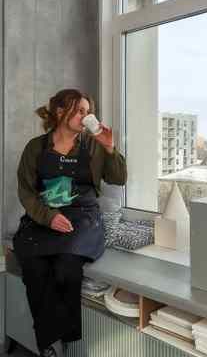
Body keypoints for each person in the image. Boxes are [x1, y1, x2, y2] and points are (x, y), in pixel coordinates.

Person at [12, 89, 127, 357]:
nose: (85, 117)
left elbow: (118, 178)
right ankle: (50, 345)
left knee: (66, 267)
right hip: (44, 217)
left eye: (88, 112)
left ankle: (57, 341)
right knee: (34, 267)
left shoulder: (93, 145)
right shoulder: (35, 147)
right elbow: (26, 192)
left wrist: (109, 148)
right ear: (60, 112)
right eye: (80, 111)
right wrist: (49, 217)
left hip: (83, 219)